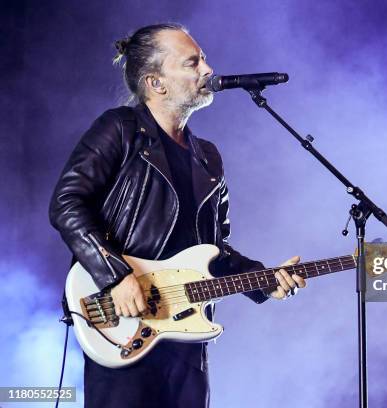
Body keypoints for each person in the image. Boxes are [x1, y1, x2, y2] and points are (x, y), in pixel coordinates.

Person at [48, 23, 305, 408]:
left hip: (186, 336)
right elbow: (67, 203)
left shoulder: (208, 156)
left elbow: (217, 250)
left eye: (203, 59)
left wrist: (263, 280)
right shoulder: (120, 129)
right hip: (124, 323)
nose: (207, 69)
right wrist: (117, 276)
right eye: (193, 62)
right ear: (156, 83)